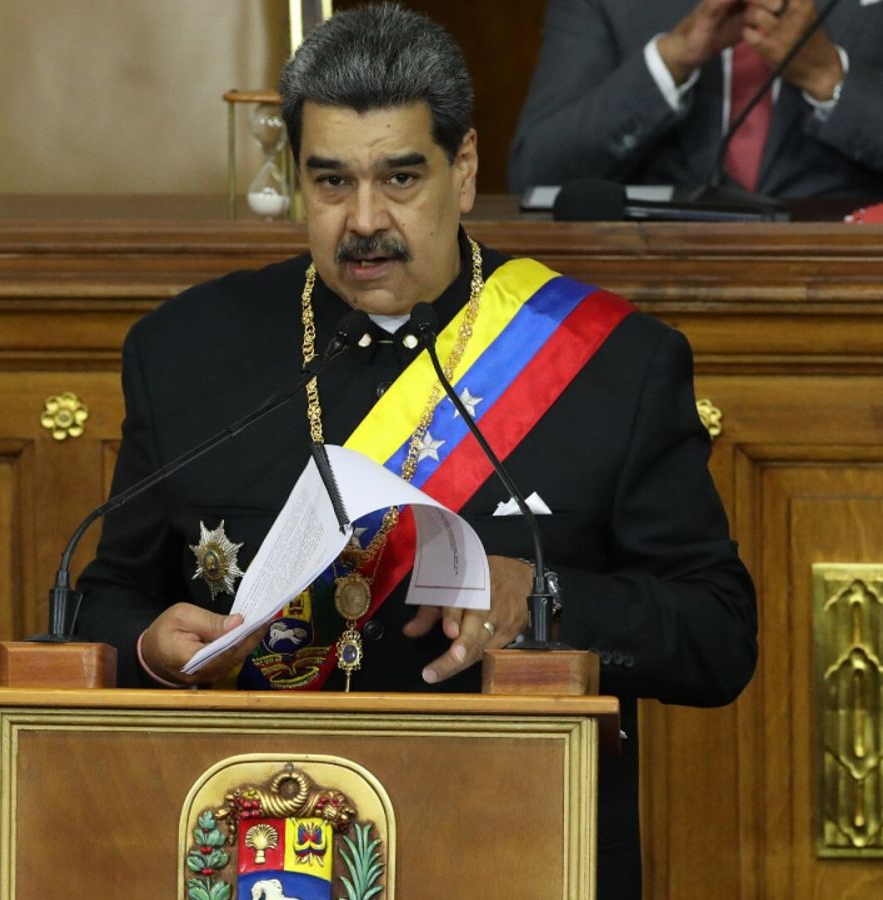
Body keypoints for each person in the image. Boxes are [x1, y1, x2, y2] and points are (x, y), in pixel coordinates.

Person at [74, 4, 756, 894]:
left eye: (400, 178)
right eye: (330, 183)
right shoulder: (185, 352)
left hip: (513, 844)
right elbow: (103, 603)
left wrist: (542, 598)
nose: (364, 221)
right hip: (263, 854)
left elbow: (717, 638)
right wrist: (149, 650)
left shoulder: (609, 363)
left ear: (463, 169)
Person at [507, 0, 883, 199]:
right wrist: (670, 62)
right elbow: (537, 170)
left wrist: (827, 75)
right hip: (649, 308)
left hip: (857, 304)